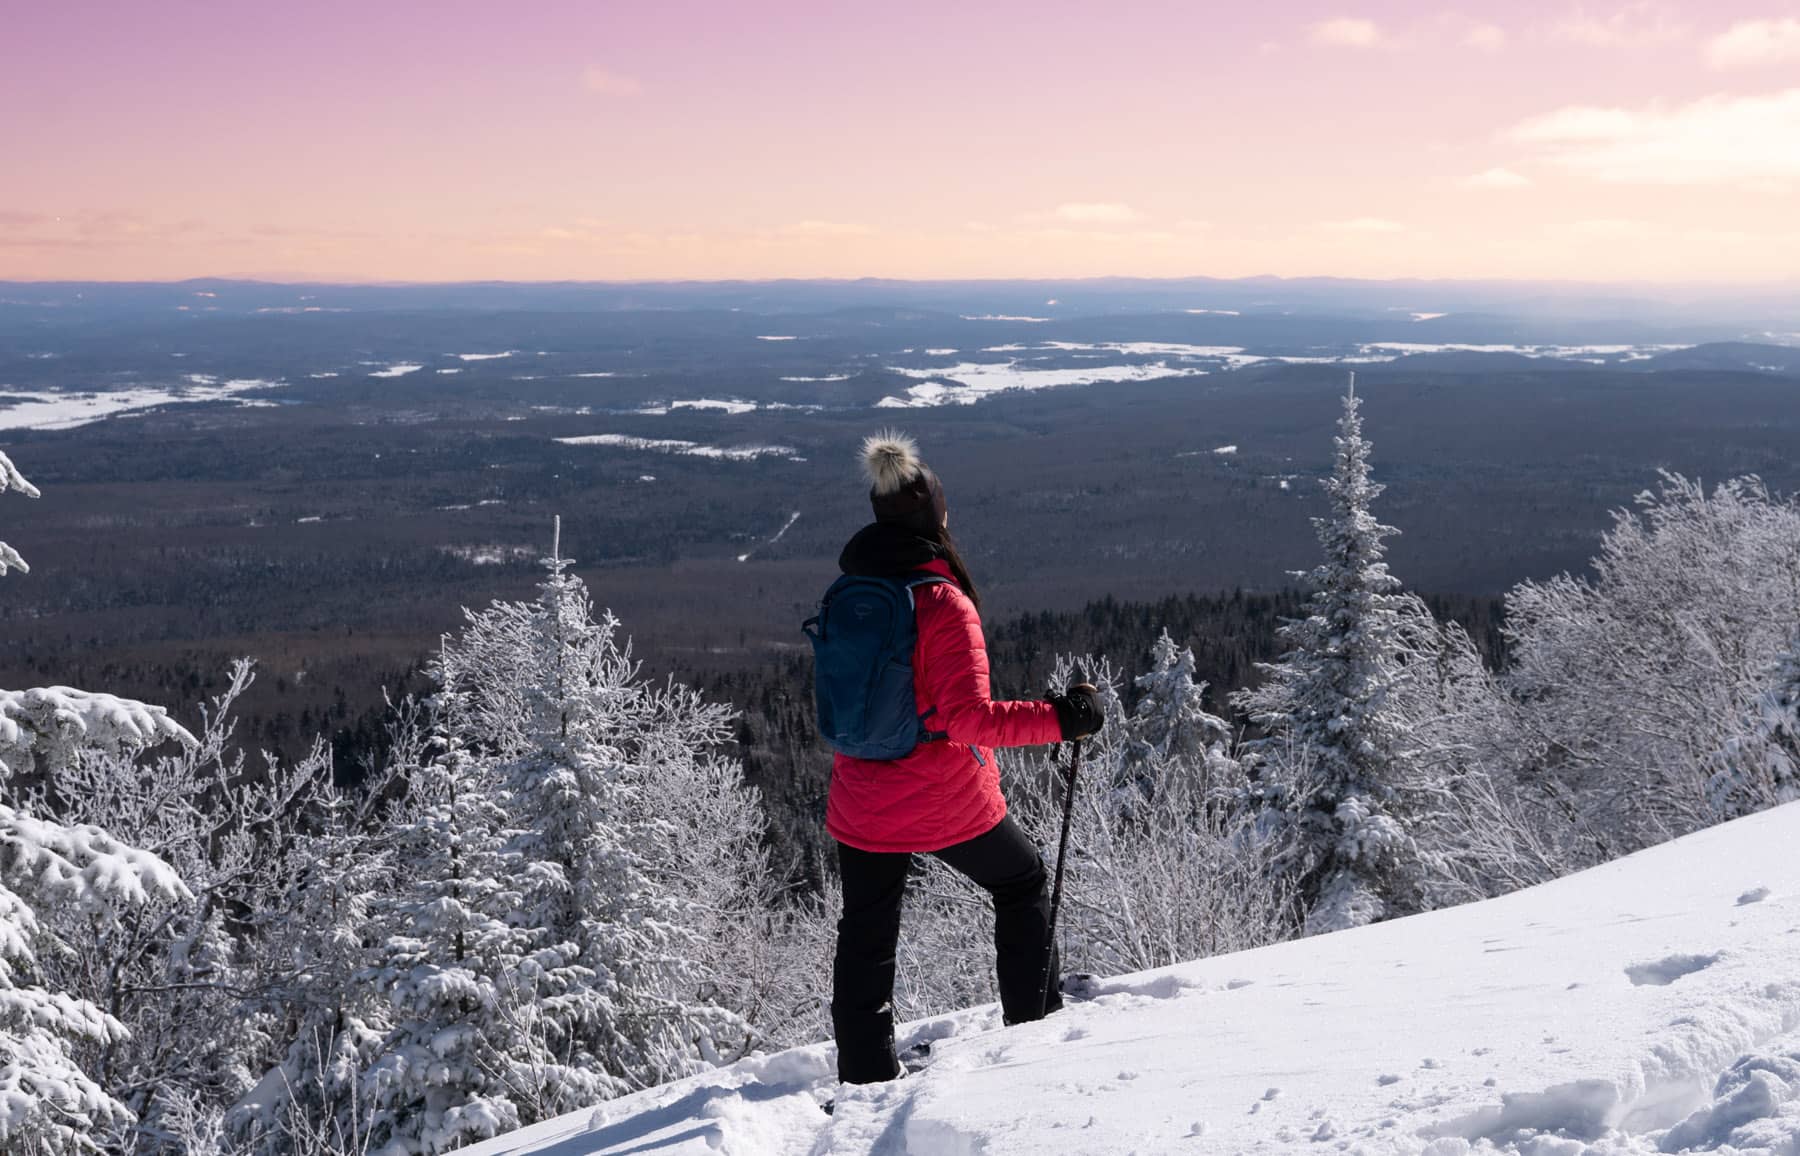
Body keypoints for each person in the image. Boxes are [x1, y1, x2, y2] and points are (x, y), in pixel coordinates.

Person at [825, 431, 1104, 1084]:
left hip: (861, 790)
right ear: (932, 515)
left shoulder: (851, 591)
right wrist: (1064, 718)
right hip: (943, 794)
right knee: (1023, 881)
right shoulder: (942, 603)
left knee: (867, 930)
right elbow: (969, 720)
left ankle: (865, 1073)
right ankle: (1033, 1027)